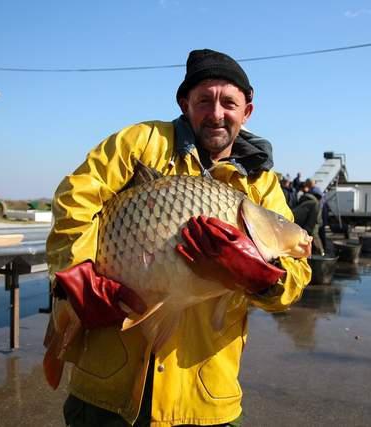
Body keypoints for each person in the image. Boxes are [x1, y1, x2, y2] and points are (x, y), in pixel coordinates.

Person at [46, 49, 311, 426]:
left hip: (203, 397)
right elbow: (75, 200)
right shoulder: (143, 142)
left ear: (247, 111)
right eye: (205, 100)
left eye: (229, 103)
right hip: (109, 389)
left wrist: (265, 281)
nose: (217, 113)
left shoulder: (260, 184)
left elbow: (296, 274)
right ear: (185, 104)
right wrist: (79, 277)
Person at [293, 179, 325, 256]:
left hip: (312, 217)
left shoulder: (313, 199)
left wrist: (308, 228)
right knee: (314, 235)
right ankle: (319, 254)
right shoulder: (315, 197)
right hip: (315, 217)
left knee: (313, 234)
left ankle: (319, 254)